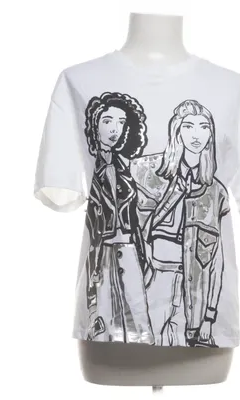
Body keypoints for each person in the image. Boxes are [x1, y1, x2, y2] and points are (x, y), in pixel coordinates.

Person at [133, 99, 231, 347]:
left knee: (182, 348)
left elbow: (217, 260)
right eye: (188, 126)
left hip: (193, 295)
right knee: (146, 345)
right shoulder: (148, 172)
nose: (196, 135)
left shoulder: (216, 192)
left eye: (204, 127)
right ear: (177, 131)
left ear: (211, 134)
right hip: (155, 279)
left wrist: (209, 316)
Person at [83, 91, 154, 345]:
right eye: (107, 121)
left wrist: (143, 253)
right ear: (95, 124)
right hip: (103, 254)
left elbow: (137, 215)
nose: (115, 129)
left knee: (140, 323)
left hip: (131, 250)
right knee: (106, 325)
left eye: (121, 122)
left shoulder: (126, 168)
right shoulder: (90, 167)